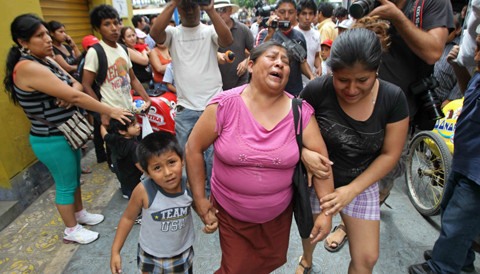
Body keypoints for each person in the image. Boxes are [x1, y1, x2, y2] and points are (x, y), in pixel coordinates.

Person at [185, 41, 334, 273]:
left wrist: (326, 213)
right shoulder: (224, 105)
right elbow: (193, 148)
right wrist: (200, 199)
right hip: (230, 213)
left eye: (285, 62)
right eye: (273, 57)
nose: (280, 64)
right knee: (236, 268)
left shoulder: (300, 111)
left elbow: (323, 165)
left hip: (276, 216)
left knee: (265, 265)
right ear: (251, 66)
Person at [4, 14, 132, 244]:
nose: (48, 40)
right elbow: (75, 94)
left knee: (73, 177)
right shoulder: (27, 68)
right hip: (51, 138)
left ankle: (80, 214)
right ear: (22, 42)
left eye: (46, 33)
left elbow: (73, 81)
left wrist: (67, 91)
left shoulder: (45, 60)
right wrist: (109, 110)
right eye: (40, 36)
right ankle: (71, 230)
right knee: (65, 184)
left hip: (66, 134)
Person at [298, 28, 409, 273]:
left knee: (367, 258)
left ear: (377, 69)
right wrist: (304, 153)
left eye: (362, 80)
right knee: (311, 232)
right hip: (315, 178)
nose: (351, 89)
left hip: (361, 181)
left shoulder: (393, 98)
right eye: (342, 80)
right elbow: (290, 128)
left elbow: (390, 154)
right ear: (331, 71)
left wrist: (351, 190)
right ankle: (306, 259)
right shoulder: (317, 90)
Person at [407, 28, 480, 274]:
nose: (477, 57)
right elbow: (467, 91)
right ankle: (460, 259)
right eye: (477, 47)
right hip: (464, 158)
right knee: (450, 211)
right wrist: (459, 67)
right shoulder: (478, 75)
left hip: (476, 170)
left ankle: (442, 268)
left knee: (459, 220)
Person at [369, 0, 454, 210]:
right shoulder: (372, 3)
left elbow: (434, 52)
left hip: (401, 108)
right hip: (363, 99)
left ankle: (374, 200)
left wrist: (397, 17)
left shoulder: (433, 3)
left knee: (387, 167)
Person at [150, 0, 233, 195]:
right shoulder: (173, 33)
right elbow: (155, 34)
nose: (189, 10)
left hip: (213, 106)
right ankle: (196, 194)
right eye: (184, 6)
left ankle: (214, 193)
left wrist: (210, 9)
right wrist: (174, 3)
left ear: (199, 8)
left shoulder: (209, 31)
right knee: (188, 155)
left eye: (192, 5)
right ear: (178, 9)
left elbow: (227, 40)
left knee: (215, 156)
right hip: (185, 108)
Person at [110, 132, 217, 274]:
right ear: (147, 172)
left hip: (182, 253)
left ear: (182, 160)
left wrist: (208, 219)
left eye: (172, 162)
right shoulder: (143, 191)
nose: (167, 172)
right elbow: (128, 218)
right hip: (150, 255)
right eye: (157, 168)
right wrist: (115, 251)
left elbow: (197, 206)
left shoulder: (188, 186)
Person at [82, 5, 151, 127]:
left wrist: (147, 99)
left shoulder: (123, 49)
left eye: (116, 23)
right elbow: (86, 85)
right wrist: (102, 112)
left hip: (128, 110)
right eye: (107, 24)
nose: (114, 28)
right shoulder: (96, 52)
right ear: (97, 28)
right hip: (111, 114)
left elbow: (133, 79)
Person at [255, 0, 315, 96]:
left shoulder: (299, 36)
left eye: (290, 12)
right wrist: (270, 35)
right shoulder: (264, 34)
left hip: (294, 93)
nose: (286, 16)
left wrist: (311, 77)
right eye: (282, 12)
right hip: (269, 92)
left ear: (296, 14)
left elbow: (302, 61)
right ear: (275, 13)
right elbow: (256, 60)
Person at [214, 0, 253, 90]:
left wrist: (246, 61)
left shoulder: (243, 30)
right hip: (217, 86)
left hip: (240, 83)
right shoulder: (209, 31)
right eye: (216, 10)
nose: (219, 14)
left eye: (223, 10)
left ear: (230, 10)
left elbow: (254, 52)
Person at [100, 116, 142, 199]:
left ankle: (125, 193)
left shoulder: (114, 138)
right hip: (136, 181)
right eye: (133, 125)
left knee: (127, 189)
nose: (138, 126)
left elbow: (105, 136)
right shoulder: (134, 146)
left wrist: (103, 126)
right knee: (137, 199)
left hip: (123, 174)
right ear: (122, 131)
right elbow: (140, 166)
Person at [434, 12, 463, 106]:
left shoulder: (460, 49)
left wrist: (450, 100)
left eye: (449, 28)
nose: (444, 31)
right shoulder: (433, 42)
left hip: (442, 102)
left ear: (458, 30)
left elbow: (465, 78)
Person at [294, 0, 322, 86]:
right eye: (304, 13)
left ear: (314, 15)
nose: (307, 17)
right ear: (297, 15)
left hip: (310, 81)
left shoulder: (316, 34)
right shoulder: (292, 34)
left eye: (310, 14)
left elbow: (316, 56)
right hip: (294, 82)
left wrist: (319, 67)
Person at [120, 26, 152, 90]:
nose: (132, 38)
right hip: (140, 85)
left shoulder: (135, 49)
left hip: (147, 82)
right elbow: (144, 61)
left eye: (133, 35)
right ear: (123, 39)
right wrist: (144, 51)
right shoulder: (127, 50)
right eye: (129, 36)